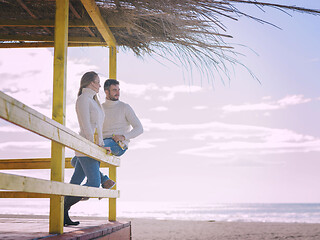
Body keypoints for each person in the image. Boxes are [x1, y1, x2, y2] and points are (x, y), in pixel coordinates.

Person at [71, 79, 144, 188]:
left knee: (84, 157)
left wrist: (124, 136)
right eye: (114, 90)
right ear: (106, 91)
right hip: (101, 141)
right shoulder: (100, 107)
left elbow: (139, 128)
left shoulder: (125, 107)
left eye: (119, 90)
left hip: (118, 144)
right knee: (76, 160)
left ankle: (92, 185)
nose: (118, 93)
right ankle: (103, 180)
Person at [64, 71, 111, 226]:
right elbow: (86, 126)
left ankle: (62, 213)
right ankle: (62, 208)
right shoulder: (83, 99)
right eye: (98, 82)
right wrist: (93, 146)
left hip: (92, 147)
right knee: (93, 183)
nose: (99, 85)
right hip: (86, 147)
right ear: (91, 82)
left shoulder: (92, 100)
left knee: (76, 181)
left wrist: (102, 145)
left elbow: (98, 127)